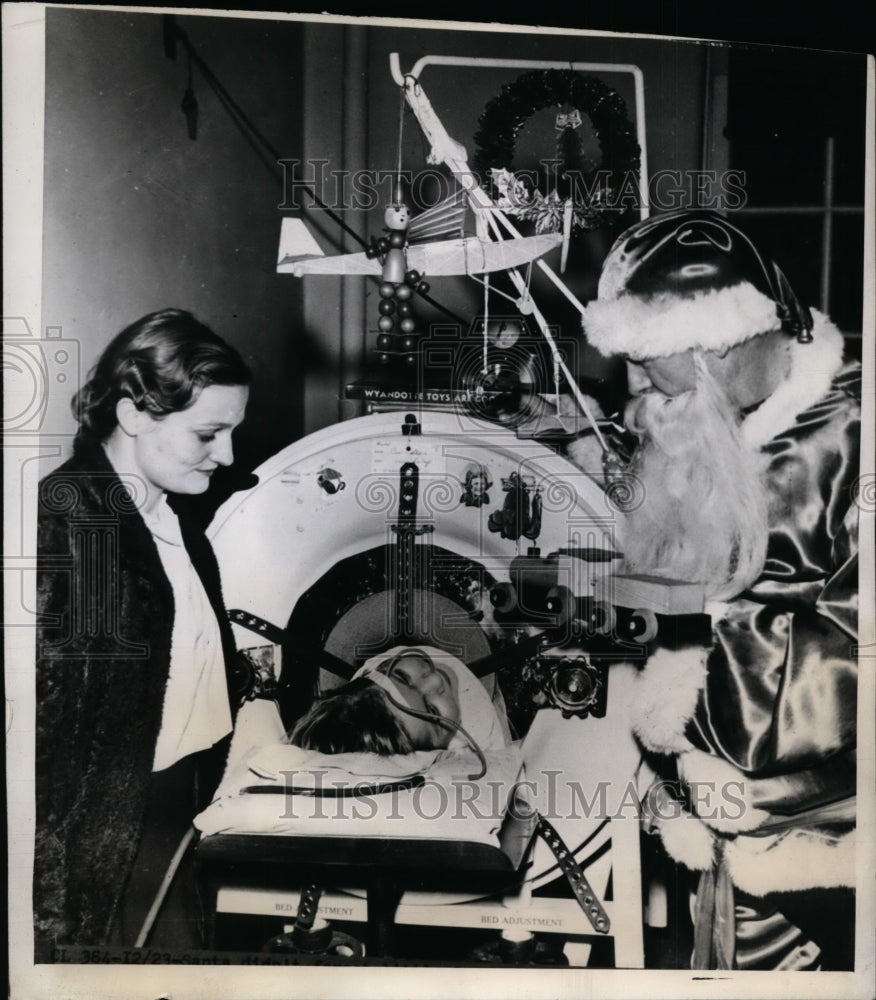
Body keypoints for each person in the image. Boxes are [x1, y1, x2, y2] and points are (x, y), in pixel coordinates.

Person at [578, 209, 860, 971]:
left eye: (642, 359)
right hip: (735, 817)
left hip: (833, 839)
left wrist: (696, 642)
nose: (630, 383)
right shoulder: (718, 414)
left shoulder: (855, 436)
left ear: (712, 344)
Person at [34, 309, 252, 958]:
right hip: (108, 832)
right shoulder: (76, 529)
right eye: (209, 433)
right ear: (133, 414)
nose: (229, 455)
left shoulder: (173, 513)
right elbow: (51, 736)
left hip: (179, 804)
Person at [288, 645, 512, 756]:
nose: (434, 680)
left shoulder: (367, 687)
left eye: (402, 677)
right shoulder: (481, 742)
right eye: (432, 710)